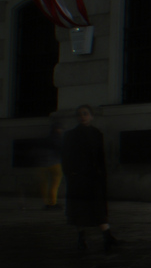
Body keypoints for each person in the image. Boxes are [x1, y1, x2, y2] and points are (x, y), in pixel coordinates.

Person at [61, 105, 119, 253]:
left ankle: (107, 236)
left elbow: (100, 156)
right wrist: (70, 173)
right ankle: (81, 238)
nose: (83, 116)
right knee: (79, 210)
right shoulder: (71, 135)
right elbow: (66, 156)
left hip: (93, 177)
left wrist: (102, 174)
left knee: (98, 207)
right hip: (78, 178)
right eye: (80, 114)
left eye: (86, 114)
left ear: (91, 116)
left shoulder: (96, 133)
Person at [32, 121, 64, 210]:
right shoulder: (59, 139)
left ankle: (47, 203)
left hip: (41, 165)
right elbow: (61, 150)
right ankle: (53, 203)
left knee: (44, 185)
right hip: (55, 163)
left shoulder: (46, 138)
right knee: (54, 185)